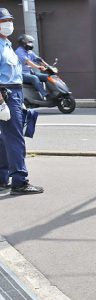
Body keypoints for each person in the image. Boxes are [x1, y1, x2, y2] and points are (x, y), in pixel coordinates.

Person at [0, 8, 43, 195]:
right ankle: (20, 181)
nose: (8, 23)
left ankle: (2, 179)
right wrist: (1, 102)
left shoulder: (7, 44)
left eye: (9, 19)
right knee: (15, 137)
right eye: (4, 20)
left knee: (4, 138)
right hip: (5, 94)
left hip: (14, 93)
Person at [15, 34, 49, 99]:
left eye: (31, 42)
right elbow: (27, 61)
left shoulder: (29, 52)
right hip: (21, 74)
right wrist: (38, 67)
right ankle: (45, 95)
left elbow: (38, 59)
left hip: (30, 72)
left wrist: (47, 66)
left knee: (47, 77)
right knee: (34, 78)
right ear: (23, 43)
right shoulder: (19, 51)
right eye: (29, 42)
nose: (31, 44)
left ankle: (52, 93)